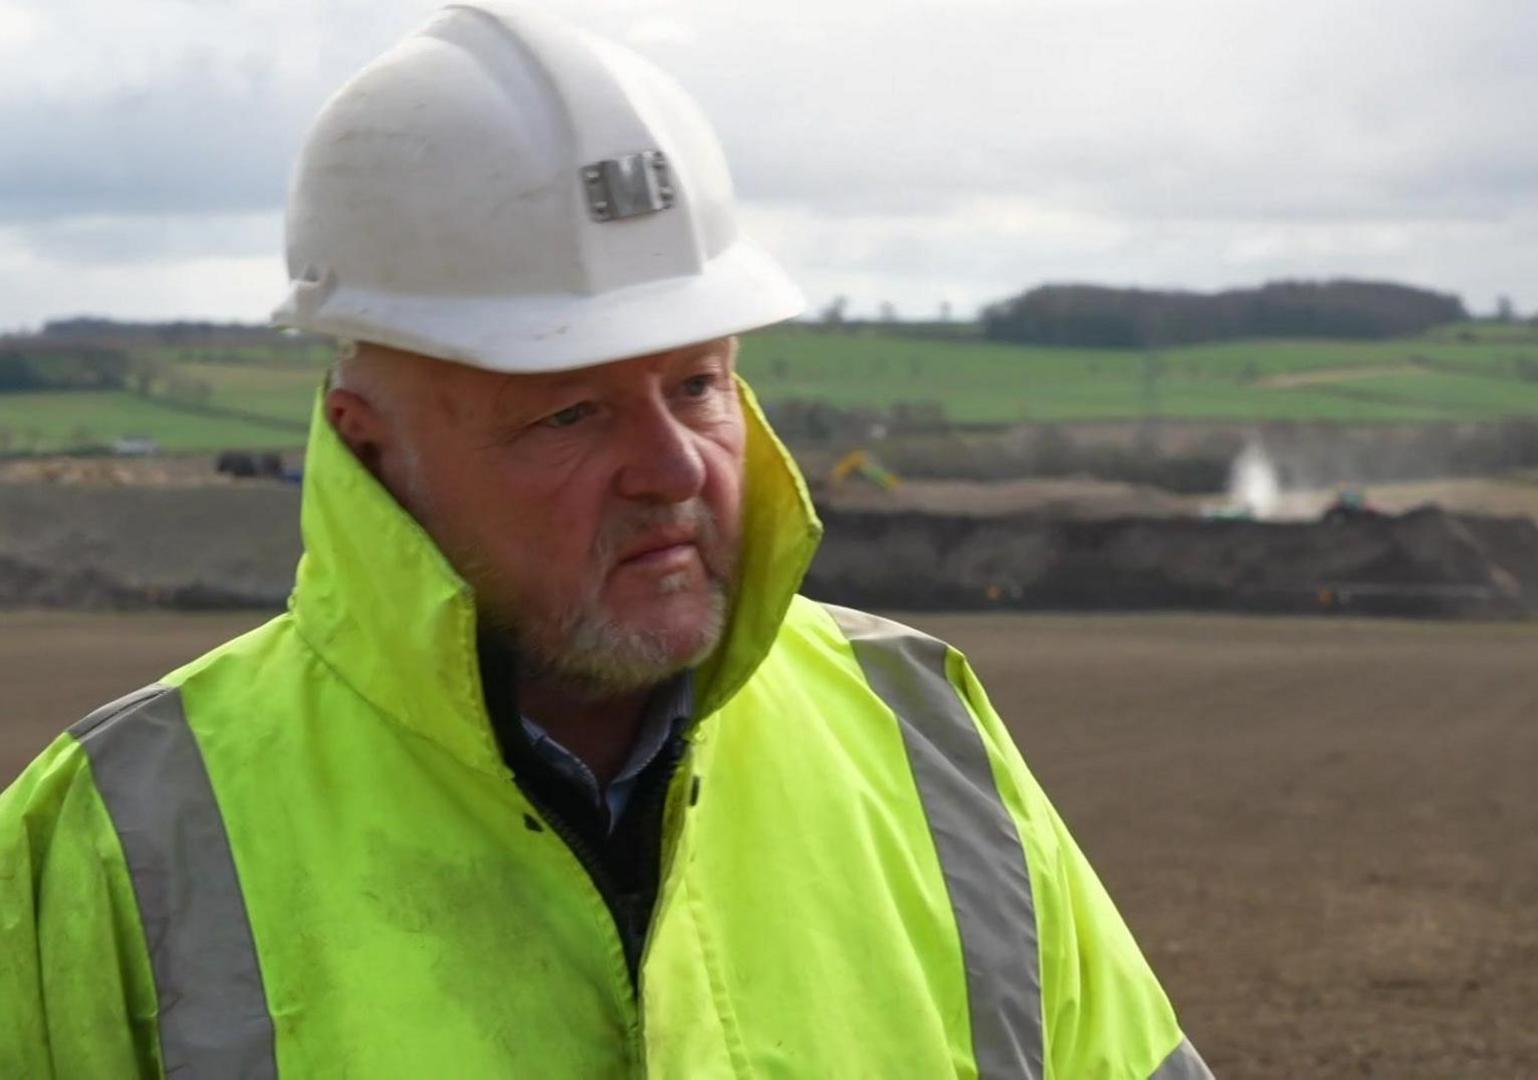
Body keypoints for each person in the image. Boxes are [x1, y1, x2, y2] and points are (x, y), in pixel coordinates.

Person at [0, 3, 1207, 1076]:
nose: (675, 468)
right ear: (371, 450)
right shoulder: (119, 837)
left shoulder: (926, 739)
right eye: (569, 410)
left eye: (698, 384)